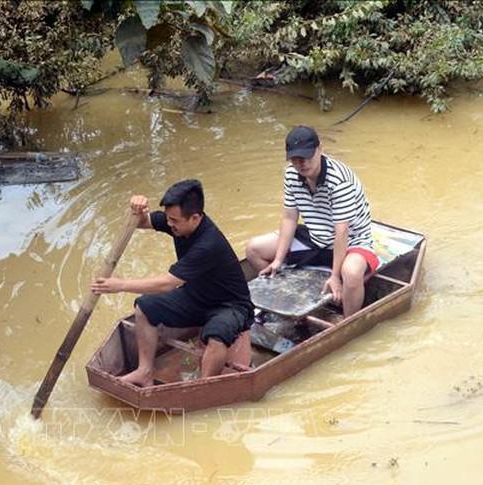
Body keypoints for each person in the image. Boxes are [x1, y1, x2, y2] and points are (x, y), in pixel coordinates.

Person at [91, 179, 254, 387]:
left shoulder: (208, 244)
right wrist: (136, 209)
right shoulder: (179, 224)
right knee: (144, 307)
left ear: (195, 218)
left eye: (174, 221)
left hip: (230, 306)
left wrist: (120, 285)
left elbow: (167, 283)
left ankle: (203, 387)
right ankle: (144, 371)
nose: (169, 224)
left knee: (216, 335)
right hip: (196, 297)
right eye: (168, 219)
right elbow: (139, 222)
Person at [245, 126, 378, 317]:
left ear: (320, 149)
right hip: (315, 237)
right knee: (254, 249)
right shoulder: (291, 174)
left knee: (351, 273)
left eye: (307, 156)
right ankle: (288, 301)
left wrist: (335, 276)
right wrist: (277, 260)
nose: (302, 164)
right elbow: (289, 217)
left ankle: (347, 320)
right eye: (296, 159)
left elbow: (341, 232)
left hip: (352, 241)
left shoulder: (340, 181)